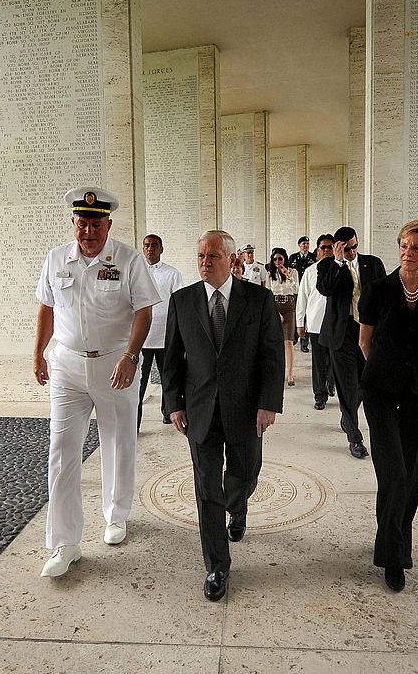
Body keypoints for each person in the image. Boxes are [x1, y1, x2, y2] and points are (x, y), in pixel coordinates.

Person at [33, 187, 161, 578]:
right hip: (67, 366)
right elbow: (46, 306)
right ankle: (64, 542)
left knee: (118, 440)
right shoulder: (56, 259)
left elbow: (144, 309)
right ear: (73, 223)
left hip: (114, 364)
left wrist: (131, 356)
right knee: (61, 450)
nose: (89, 231)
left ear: (109, 224)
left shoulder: (127, 259)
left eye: (96, 224)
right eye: (82, 223)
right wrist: (37, 352)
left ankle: (115, 514)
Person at [163, 230, 284, 601]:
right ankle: (217, 565)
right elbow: (172, 359)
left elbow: (271, 356)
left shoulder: (259, 300)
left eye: (212, 256)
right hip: (200, 410)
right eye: (200, 256)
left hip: (247, 409)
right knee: (206, 489)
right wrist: (174, 404)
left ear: (231, 260)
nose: (204, 262)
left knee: (245, 472)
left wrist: (268, 403)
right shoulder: (181, 301)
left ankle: (239, 505)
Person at [358, 219, 418, 592]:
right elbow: (365, 342)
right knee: (394, 472)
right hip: (379, 388)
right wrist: (387, 369)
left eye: (416, 247)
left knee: (410, 474)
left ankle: (395, 548)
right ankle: (394, 557)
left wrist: (408, 369)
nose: (408, 252)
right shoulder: (378, 290)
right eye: (403, 245)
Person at [317, 226, 386, 458]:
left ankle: (347, 418)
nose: (352, 252)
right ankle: (355, 438)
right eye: (347, 249)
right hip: (342, 332)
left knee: (364, 383)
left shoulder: (373, 264)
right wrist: (337, 262)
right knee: (346, 385)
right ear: (338, 247)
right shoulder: (327, 266)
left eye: (355, 247)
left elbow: (383, 297)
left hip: (366, 331)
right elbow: (325, 290)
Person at [137, 234, 183, 432]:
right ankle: (134, 422)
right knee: (139, 382)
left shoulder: (172, 274)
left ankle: (168, 413)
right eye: (146, 245)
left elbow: (179, 304)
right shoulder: (136, 272)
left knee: (169, 379)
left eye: (154, 245)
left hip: (165, 336)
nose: (150, 249)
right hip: (142, 339)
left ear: (161, 249)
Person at [295, 234, 336, 409]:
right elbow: (302, 298)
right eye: (323, 248)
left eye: (329, 247)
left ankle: (331, 381)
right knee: (318, 362)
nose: (326, 250)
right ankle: (320, 395)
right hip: (316, 322)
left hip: (337, 324)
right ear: (317, 251)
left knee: (335, 359)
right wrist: (300, 322)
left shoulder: (342, 269)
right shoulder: (311, 272)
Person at [265, 247, 299, 386]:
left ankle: (290, 374)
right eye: (275, 259)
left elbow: (297, 289)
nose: (278, 261)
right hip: (275, 306)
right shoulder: (270, 274)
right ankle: (276, 371)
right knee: (275, 342)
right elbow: (268, 294)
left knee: (288, 342)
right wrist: (275, 312)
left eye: (280, 258)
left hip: (289, 306)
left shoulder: (293, 272)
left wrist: (288, 275)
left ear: (285, 259)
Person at [289, 236, 316, 353]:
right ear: (299, 245)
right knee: (297, 313)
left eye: (307, 244)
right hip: (296, 289)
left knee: (307, 315)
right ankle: (295, 338)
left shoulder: (313, 257)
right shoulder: (293, 257)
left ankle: (304, 343)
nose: (305, 246)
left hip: (308, 290)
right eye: (303, 244)